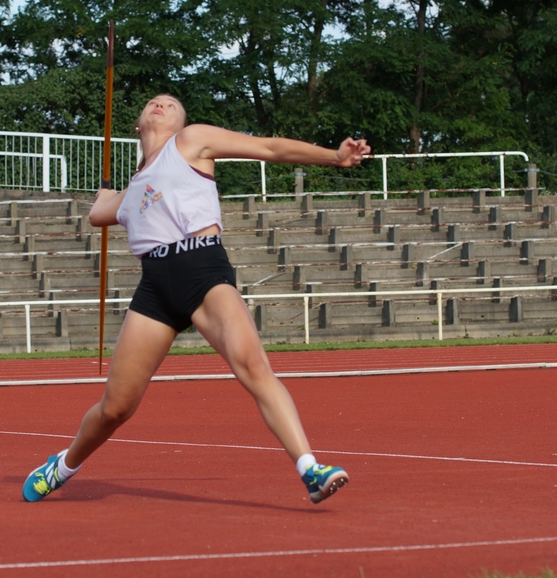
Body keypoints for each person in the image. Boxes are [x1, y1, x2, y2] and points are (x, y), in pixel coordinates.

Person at [23, 94, 371, 504]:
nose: (160, 105)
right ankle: (62, 467)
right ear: (138, 124)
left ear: (181, 121)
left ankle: (309, 468)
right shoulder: (132, 191)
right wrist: (104, 192)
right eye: (153, 103)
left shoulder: (190, 141)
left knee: (252, 365)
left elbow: (269, 147)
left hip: (202, 269)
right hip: (155, 286)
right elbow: (98, 215)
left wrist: (334, 157)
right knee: (115, 409)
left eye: (171, 105)